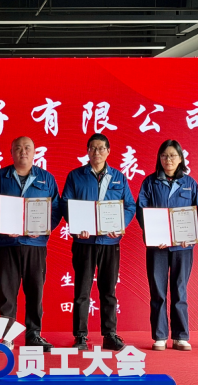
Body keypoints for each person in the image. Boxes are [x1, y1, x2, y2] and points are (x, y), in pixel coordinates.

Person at [0, 136, 61, 352]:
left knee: (35, 290)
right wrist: (4, 225)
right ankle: (7, 336)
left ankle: (34, 334)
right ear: (11, 152)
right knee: (8, 292)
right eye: (18, 148)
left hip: (36, 244)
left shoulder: (46, 178)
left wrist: (43, 228)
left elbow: (55, 208)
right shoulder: (0, 177)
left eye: (27, 148)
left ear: (35, 152)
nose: (23, 152)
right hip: (8, 243)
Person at [61, 133, 136, 352]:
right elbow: (66, 203)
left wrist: (120, 225)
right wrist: (76, 225)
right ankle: (80, 336)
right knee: (82, 290)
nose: (97, 152)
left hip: (110, 242)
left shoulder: (119, 177)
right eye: (93, 148)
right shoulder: (76, 176)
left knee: (108, 290)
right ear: (87, 151)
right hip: (84, 241)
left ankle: (109, 334)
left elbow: (129, 206)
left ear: (108, 151)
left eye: (101, 148)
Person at [136, 140, 198, 352]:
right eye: (164, 155)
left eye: (173, 155)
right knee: (158, 290)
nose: (168, 159)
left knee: (180, 289)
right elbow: (141, 211)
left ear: (181, 158)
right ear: (159, 159)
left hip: (183, 246)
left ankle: (181, 336)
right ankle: (160, 335)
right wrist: (155, 235)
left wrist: (189, 235)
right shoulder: (150, 182)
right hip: (158, 247)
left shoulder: (190, 183)